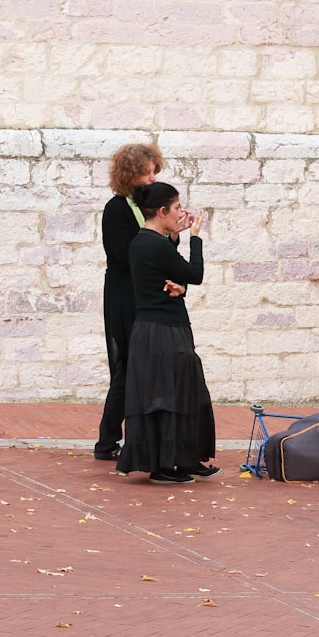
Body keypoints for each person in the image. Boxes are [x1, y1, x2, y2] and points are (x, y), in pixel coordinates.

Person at [116, 181, 219, 484]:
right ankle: (164, 466)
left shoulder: (144, 242)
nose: (180, 213)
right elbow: (194, 274)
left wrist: (175, 236)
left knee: (180, 394)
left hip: (158, 328)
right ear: (161, 211)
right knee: (168, 398)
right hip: (162, 332)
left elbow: (169, 278)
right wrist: (195, 237)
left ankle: (183, 460)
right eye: (175, 209)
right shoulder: (154, 245)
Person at [94, 143, 187, 460]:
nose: (151, 179)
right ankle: (108, 441)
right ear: (129, 176)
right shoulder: (117, 209)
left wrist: (172, 233)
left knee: (144, 369)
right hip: (125, 298)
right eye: (145, 173)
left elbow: (165, 255)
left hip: (149, 298)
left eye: (153, 173)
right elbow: (122, 258)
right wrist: (156, 237)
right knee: (127, 369)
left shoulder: (150, 210)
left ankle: (136, 441)